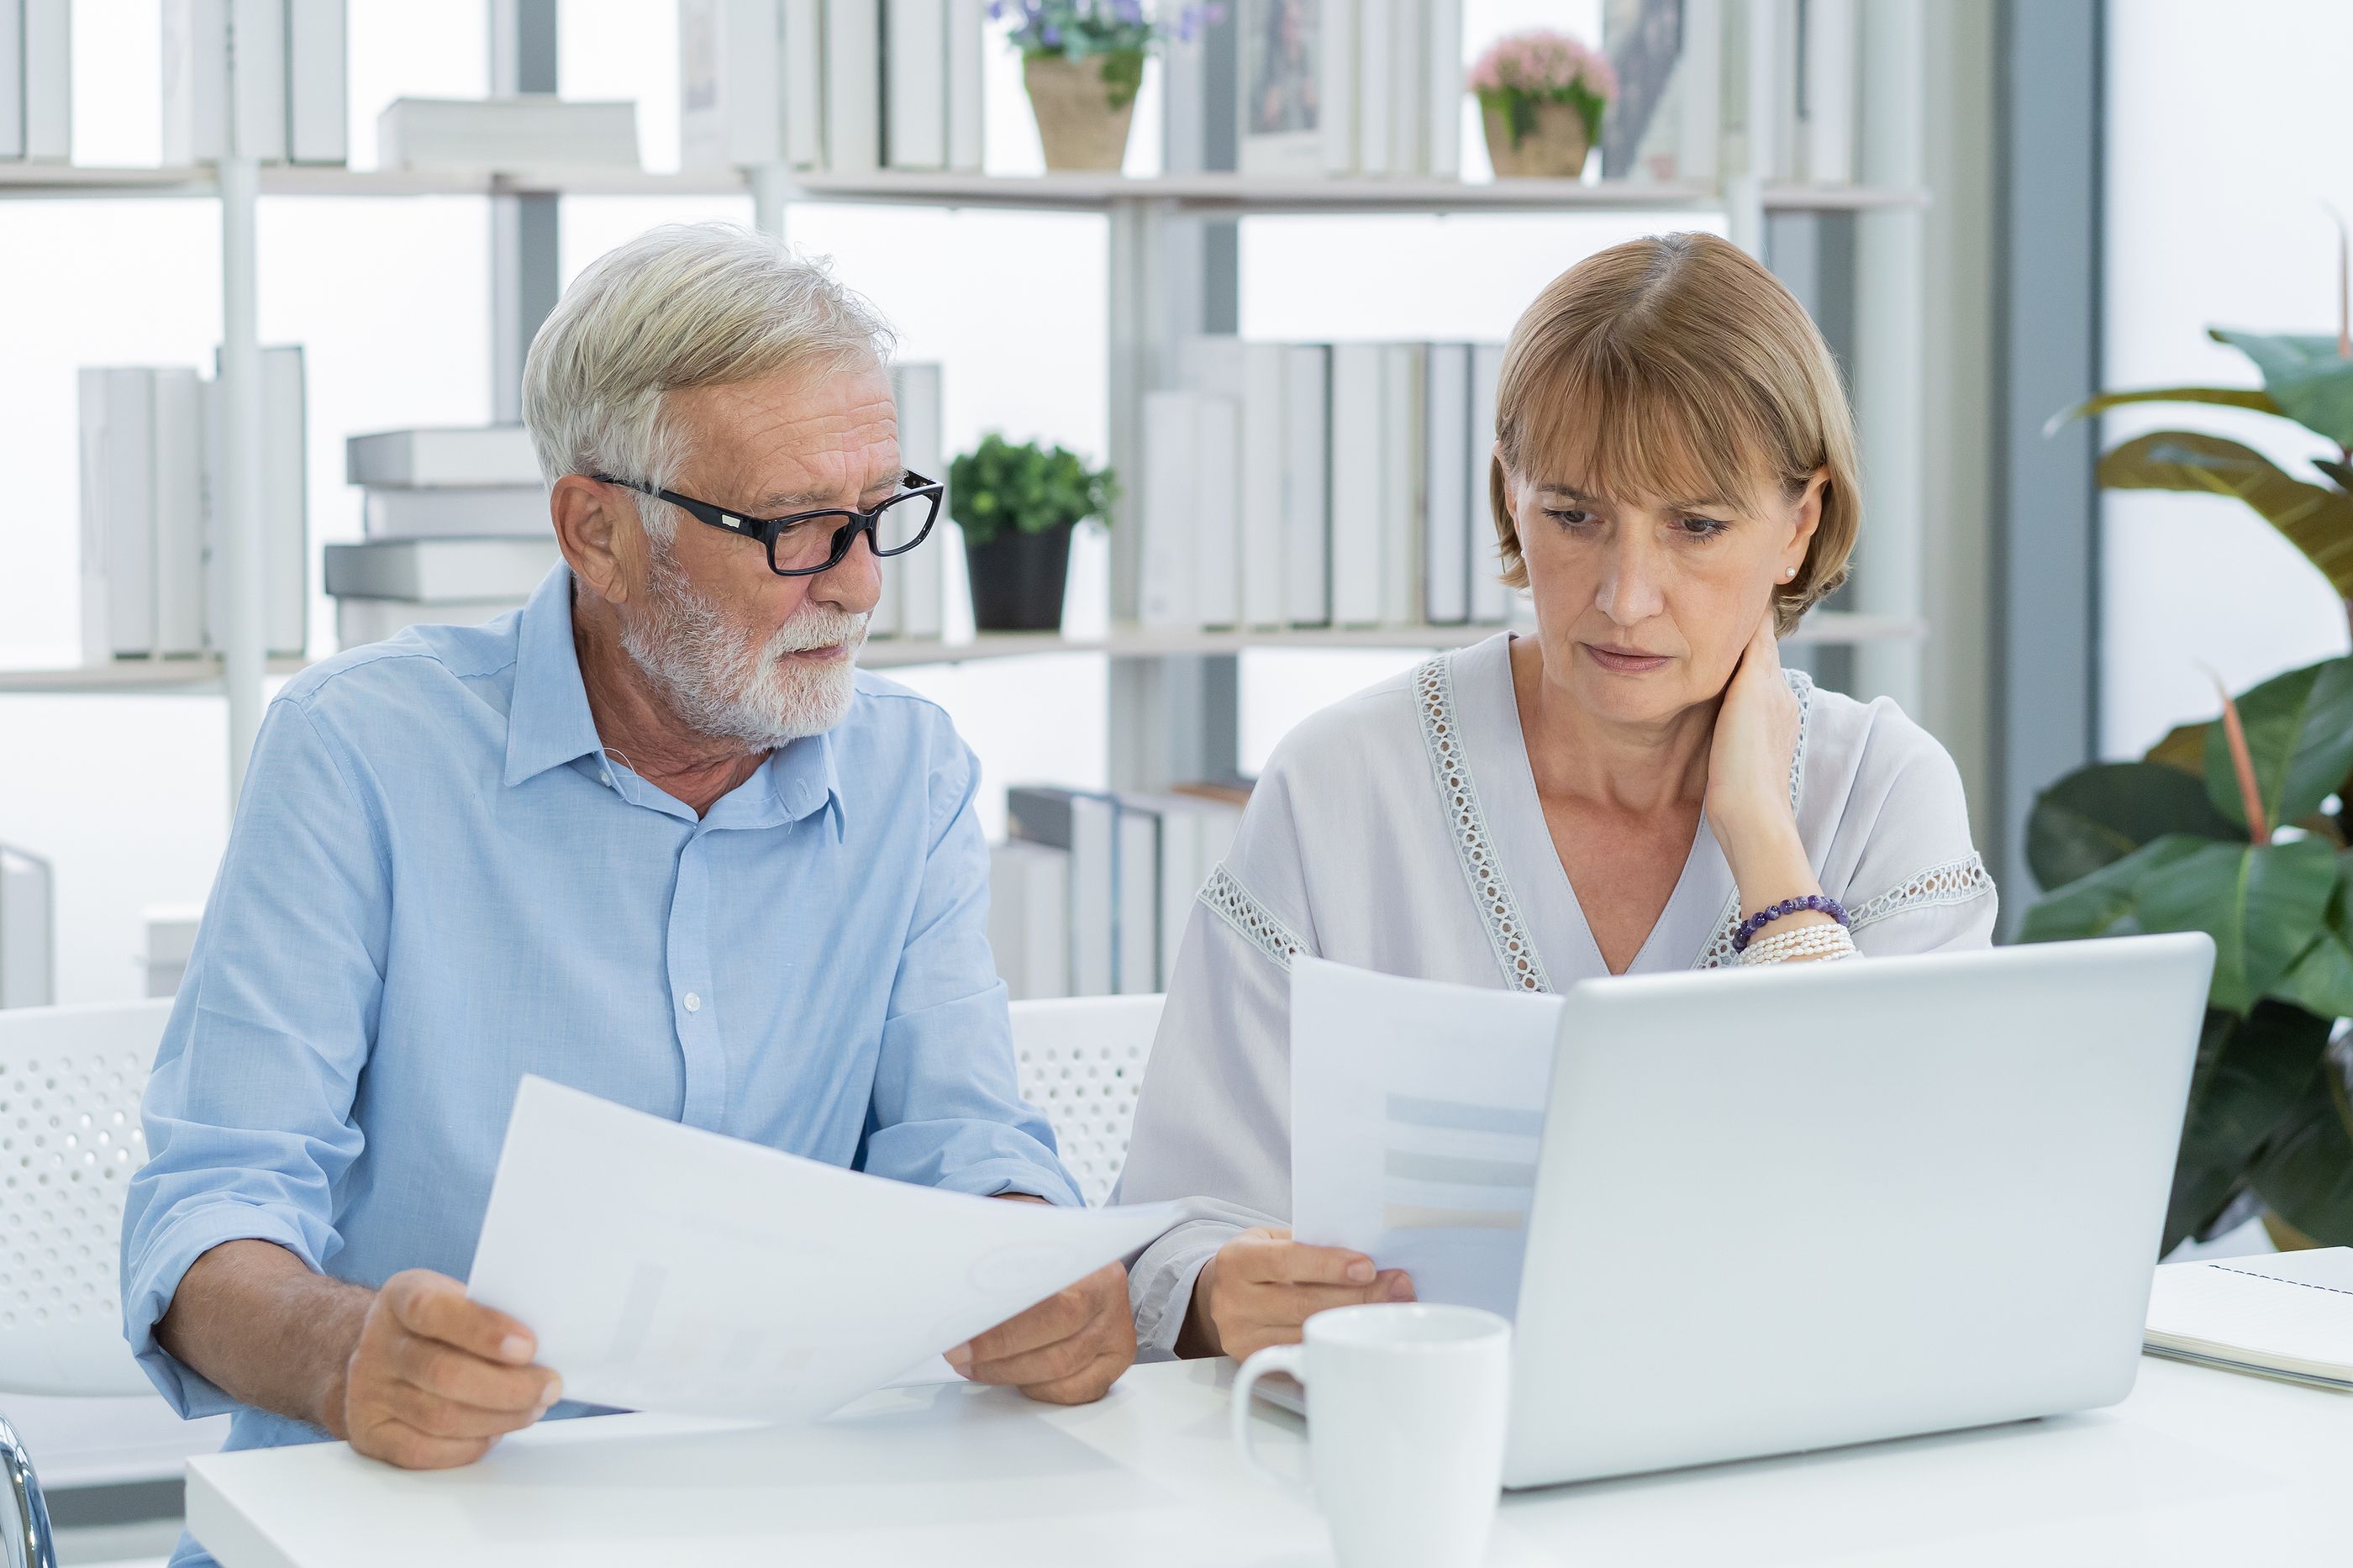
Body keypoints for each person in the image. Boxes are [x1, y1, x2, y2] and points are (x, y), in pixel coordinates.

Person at [122, 225, 1134, 1561]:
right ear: (596, 530)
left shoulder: (911, 772)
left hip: (778, 1518)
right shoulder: (360, 751)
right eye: (791, 527)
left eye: (880, 512)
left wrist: (1038, 1271)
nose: (859, 581)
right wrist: (345, 1351)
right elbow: (211, 1213)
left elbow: (965, 1147)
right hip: (407, 1521)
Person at [1115, 232, 1998, 1364]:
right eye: (1576, 516)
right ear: (1509, 498)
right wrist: (1218, 1290)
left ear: (1801, 525)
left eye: (1697, 524)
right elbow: (1173, 1233)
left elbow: (1924, 1223)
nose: (1627, 597)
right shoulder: (1342, 784)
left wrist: (1768, 851)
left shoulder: (1883, 793)